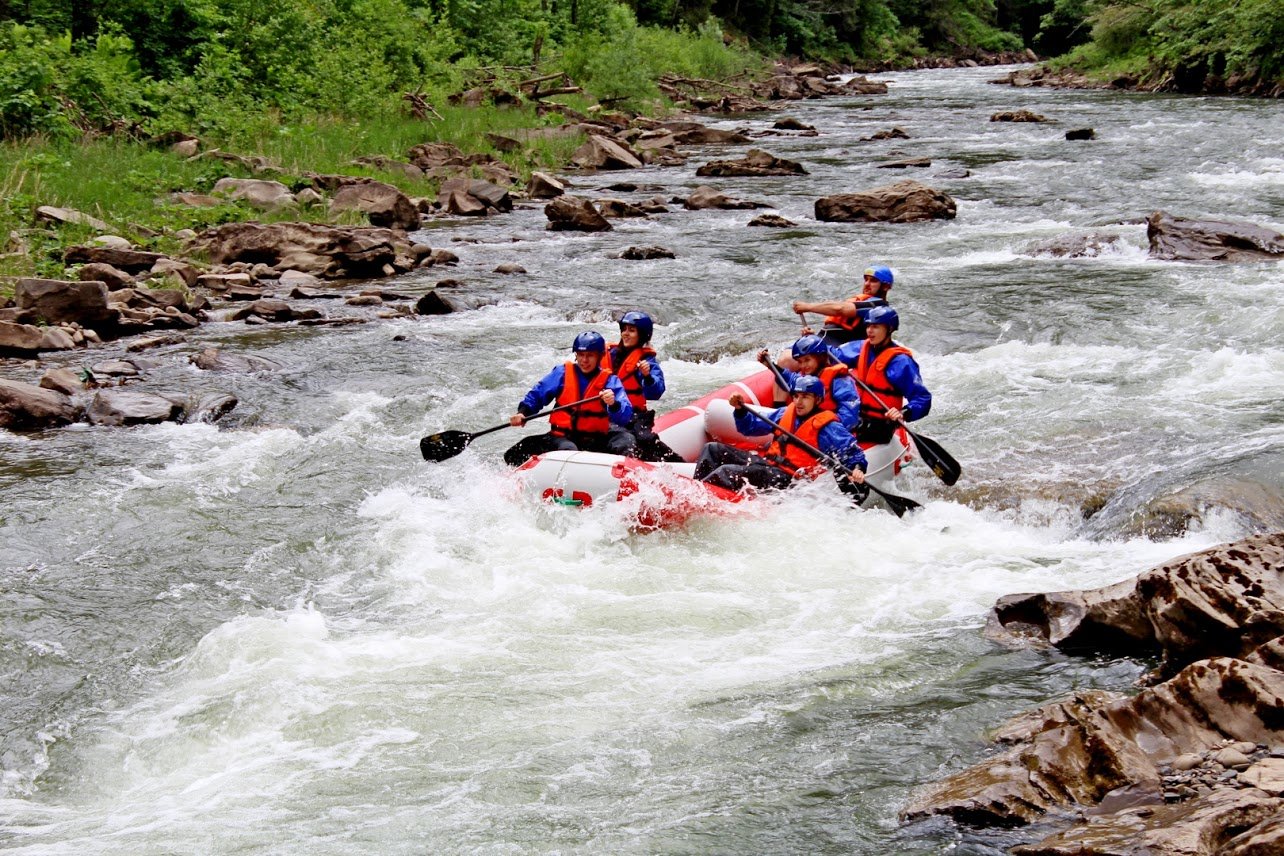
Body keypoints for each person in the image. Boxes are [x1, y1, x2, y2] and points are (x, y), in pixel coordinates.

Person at [693, 375, 867, 495]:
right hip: (768, 466)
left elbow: (853, 454)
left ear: (818, 400)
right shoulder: (785, 413)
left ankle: (699, 499)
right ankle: (694, 492)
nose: (798, 402)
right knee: (712, 449)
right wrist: (740, 411)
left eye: (805, 397)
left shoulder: (829, 427)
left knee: (726, 472)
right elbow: (750, 427)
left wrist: (857, 469)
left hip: (789, 480)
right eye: (796, 396)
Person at [503, 332, 640, 466]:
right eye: (581, 355)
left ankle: (624, 477)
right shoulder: (562, 373)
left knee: (626, 440)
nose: (584, 360)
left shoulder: (610, 381)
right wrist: (523, 412)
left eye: (589, 356)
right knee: (569, 450)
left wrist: (613, 404)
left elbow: (625, 415)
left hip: (595, 440)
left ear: (599, 356)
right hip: (561, 437)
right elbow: (538, 395)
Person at [833, 306, 932, 446]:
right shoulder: (861, 348)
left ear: (889, 329)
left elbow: (922, 398)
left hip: (880, 426)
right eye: (868, 326)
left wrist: (903, 413)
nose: (869, 330)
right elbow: (832, 356)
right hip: (853, 416)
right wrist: (814, 343)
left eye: (875, 327)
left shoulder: (901, 362)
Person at [602, 311, 683, 462]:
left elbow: (656, 392)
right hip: (607, 412)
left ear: (642, 335)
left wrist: (647, 377)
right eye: (624, 329)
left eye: (631, 330)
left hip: (634, 417)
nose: (626, 334)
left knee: (643, 439)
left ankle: (675, 463)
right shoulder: (608, 353)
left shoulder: (647, 361)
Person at [758, 335, 860, 431]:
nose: (803, 366)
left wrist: (826, 429)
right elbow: (789, 378)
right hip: (812, 425)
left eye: (807, 360)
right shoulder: (806, 378)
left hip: (830, 431)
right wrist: (771, 366)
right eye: (800, 361)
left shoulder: (839, 381)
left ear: (821, 358)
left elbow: (849, 415)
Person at [792, 265, 895, 345]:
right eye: (866, 279)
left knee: (787, 359)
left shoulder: (878, 306)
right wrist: (812, 336)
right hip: (825, 340)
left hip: (838, 349)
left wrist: (807, 307)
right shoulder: (862, 302)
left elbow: (839, 309)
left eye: (873, 281)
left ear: (885, 287)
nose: (867, 284)